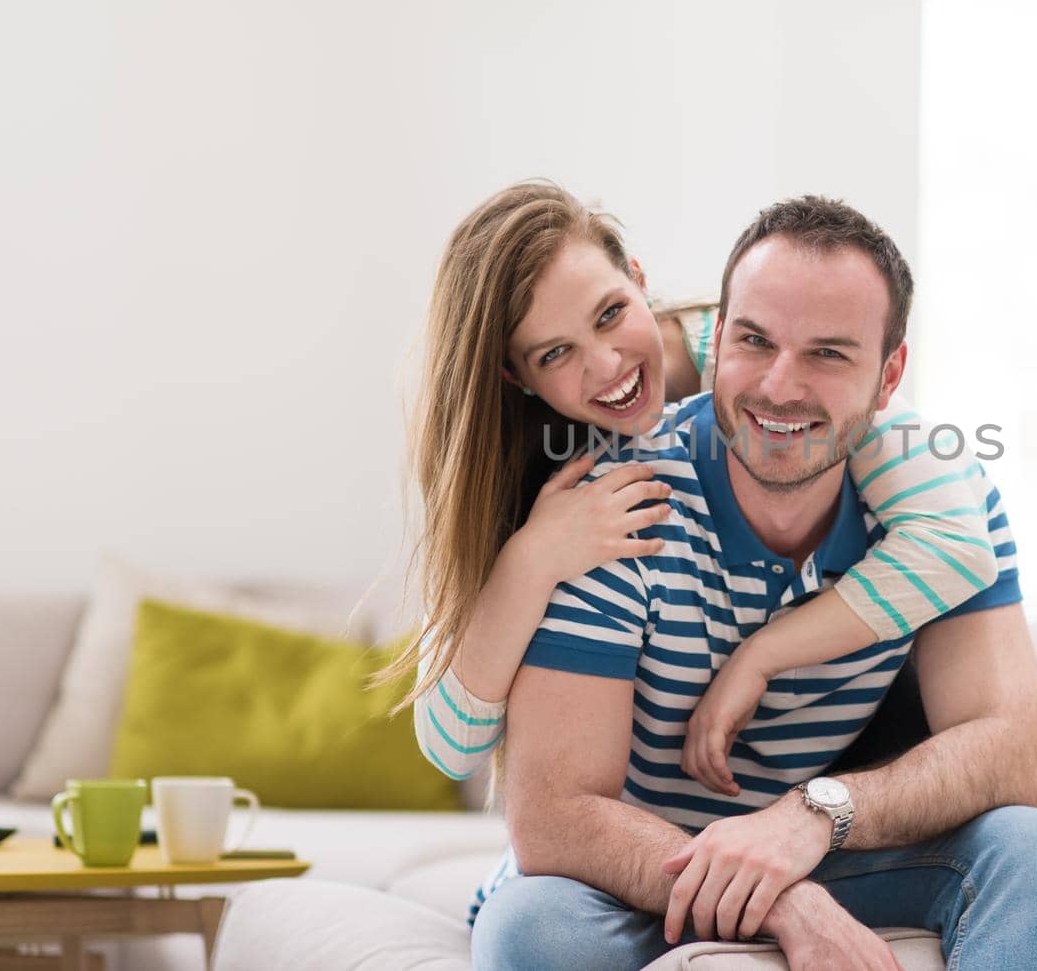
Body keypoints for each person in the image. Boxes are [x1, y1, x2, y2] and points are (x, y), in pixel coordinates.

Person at [466, 194, 1037, 970]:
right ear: (715, 338)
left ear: (889, 375)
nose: (780, 387)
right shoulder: (612, 513)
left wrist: (813, 817)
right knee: (534, 929)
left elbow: (1011, 750)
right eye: (755, 341)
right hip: (640, 875)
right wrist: (784, 898)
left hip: (829, 846)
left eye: (828, 354)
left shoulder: (939, 508)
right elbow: (554, 816)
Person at [376, 180, 1002, 807]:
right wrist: (532, 559)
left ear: (639, 280)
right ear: (516, 374)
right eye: (556, 352)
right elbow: (451, 745)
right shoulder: (518, 468)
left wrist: (762, 654)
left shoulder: (759, 364)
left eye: (611, 313)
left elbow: (955, 543)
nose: (606, 365)